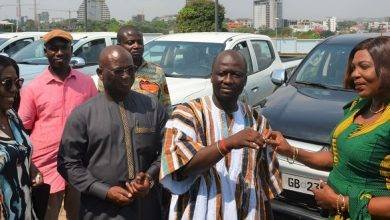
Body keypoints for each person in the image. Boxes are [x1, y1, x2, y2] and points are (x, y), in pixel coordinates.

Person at [266, 36, 390, 219]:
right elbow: (337, 157)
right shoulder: (360, 105)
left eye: (364, 66)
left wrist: (339, 202)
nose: (354, 74)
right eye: (353, 68)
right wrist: (289, 150)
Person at [160, 50, 282, 219]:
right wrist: (227, 144)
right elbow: (181, 168)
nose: (228, 80)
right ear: (211, 76)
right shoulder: (187, 115)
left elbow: (264, 184)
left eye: (236, 75)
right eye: (222, 74)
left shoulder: (258, 122)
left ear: (245, 79)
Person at [57, 45, 168, 220]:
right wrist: (104, 191)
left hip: (146, 208)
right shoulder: (83, 114)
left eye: (130, 70)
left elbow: (167, 151)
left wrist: (149, 177)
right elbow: (67, 163)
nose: (126, 76)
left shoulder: (152, 108)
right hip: (100, 210)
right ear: (100, 73)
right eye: (118, 71)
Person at [18, 29, 98, 220]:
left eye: (64, 48)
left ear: (71, 50)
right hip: (46, 167)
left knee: (79, 215)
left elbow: (96, 121)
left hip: (79, 164)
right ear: (45, 51)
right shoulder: (33, 89)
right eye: (54, 48)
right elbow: (24, 130)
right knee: (47, 214)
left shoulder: (87, 84)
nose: (59, 53)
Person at [0, 55, 43, 219]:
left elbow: (20, 150)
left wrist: (31, 168)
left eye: (17, 83)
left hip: (25, 211)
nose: (14, 89)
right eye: (7, 83)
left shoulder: (12, 116)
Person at [97, 26, 171, 110]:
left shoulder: (157, 71)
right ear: (119, 46)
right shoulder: (109, 74)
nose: (136, 46)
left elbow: (165, 105)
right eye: (130, 42)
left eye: (140, 42)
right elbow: (102, 104)